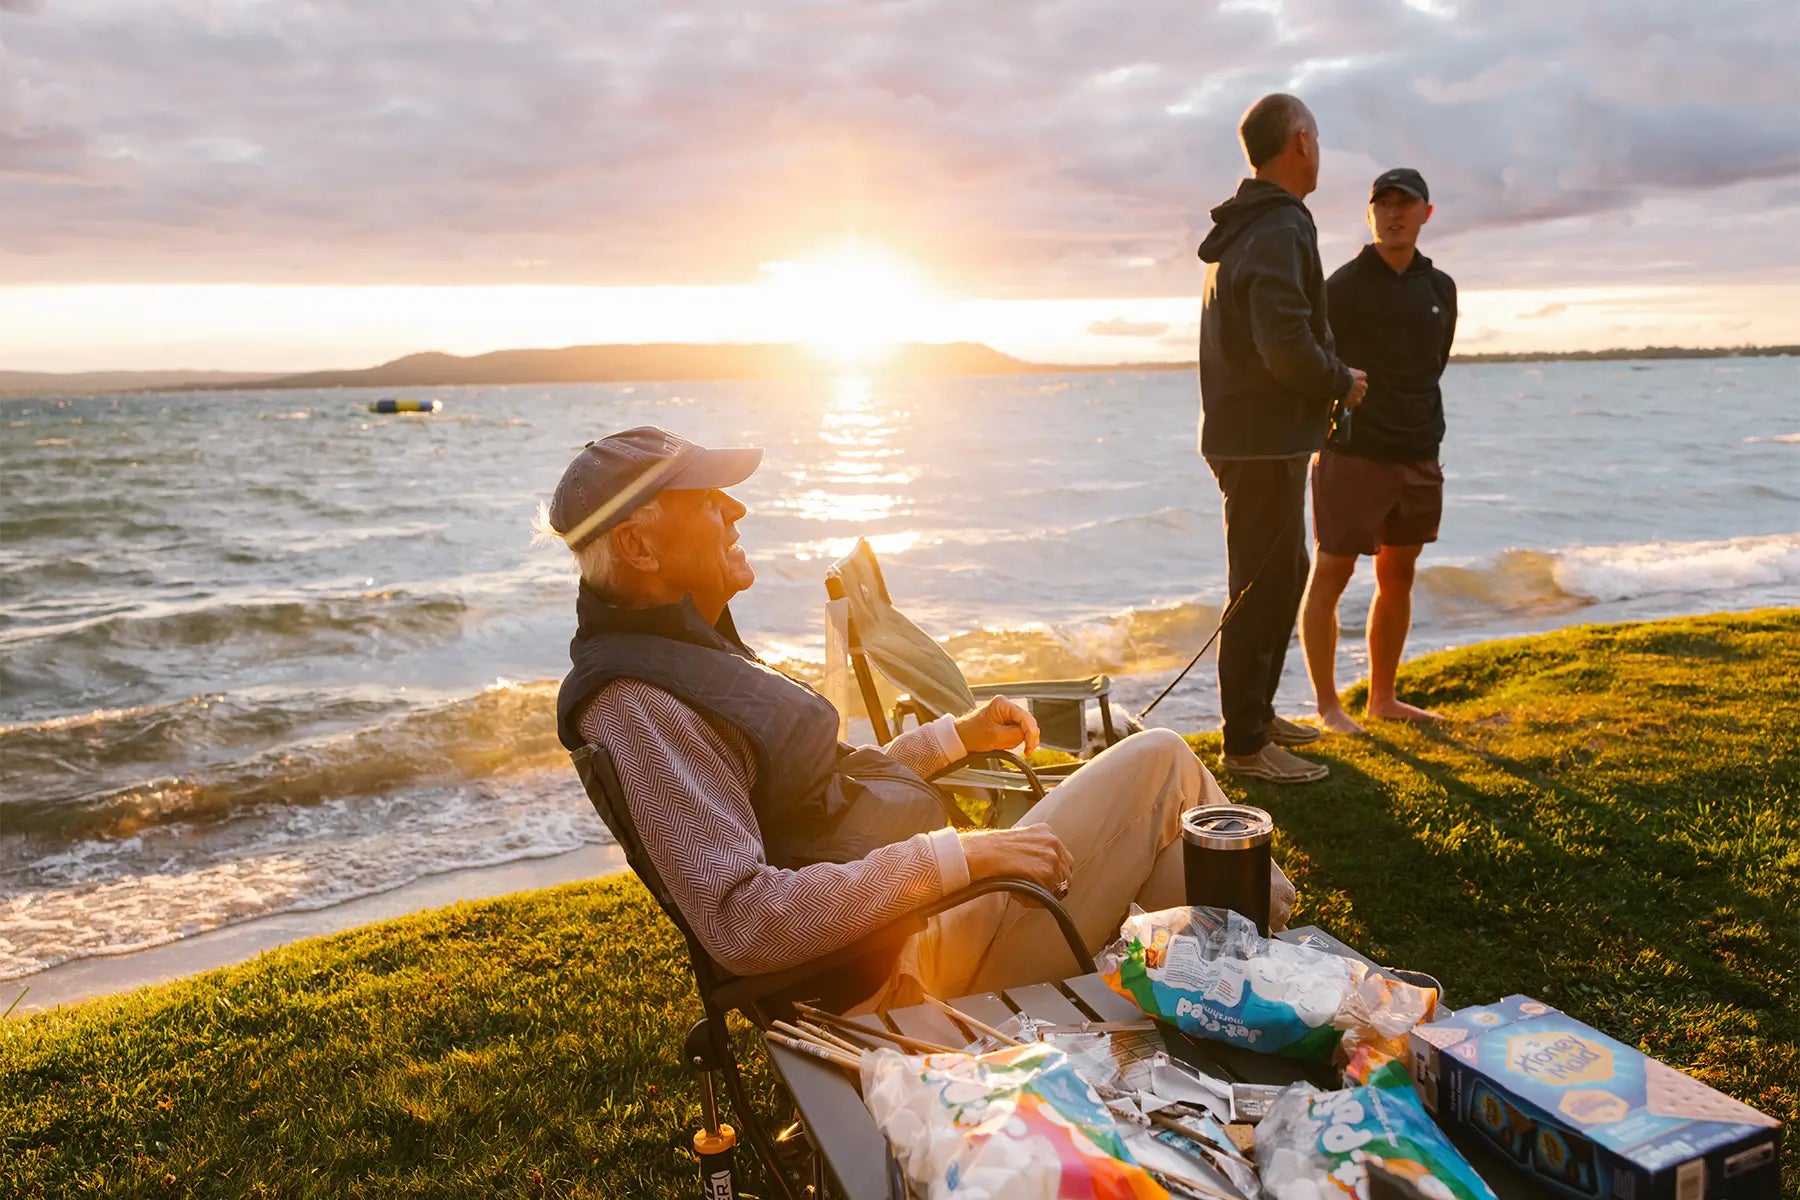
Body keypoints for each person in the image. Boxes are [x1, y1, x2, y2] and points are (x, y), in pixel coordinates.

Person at [543, 425, 1294, 1011]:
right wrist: (960, 857)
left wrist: (950, 739)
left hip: (920, 931)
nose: (736, 510)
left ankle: (1256, 982)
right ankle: (1279, 979)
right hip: (896, 976)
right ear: (639, 545)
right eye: (708, 499)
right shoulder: (639, 704)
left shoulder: (683, 654)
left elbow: (821, 799)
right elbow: (746, 922)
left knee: (1191, 879)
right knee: (1161, 762)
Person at [1196, 93, 1366, 784]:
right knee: (1262, 587)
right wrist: (1339, 381)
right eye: (1318, 138)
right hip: (1259, 441)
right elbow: (1285, 344)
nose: (1320, 150)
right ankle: (1244, 746)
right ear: (1300, 141)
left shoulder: (1256, 224)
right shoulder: (1275, 227)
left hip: (1257, 437)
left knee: (1283, 572)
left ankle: (1257, 718)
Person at [1300, 168, 1457, 733]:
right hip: (1353, 451)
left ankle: (1383, 698)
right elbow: (1316, 364)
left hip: (1418, 449)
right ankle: (1328, 707)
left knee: (1400, 576)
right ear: (1370, 215)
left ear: (1425, 213)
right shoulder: (1341, 286)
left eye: (1405, 204)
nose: (1394, 214)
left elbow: (1433, 364)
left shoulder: (1441, 288)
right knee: (1332, 574)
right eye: (1383, 204)